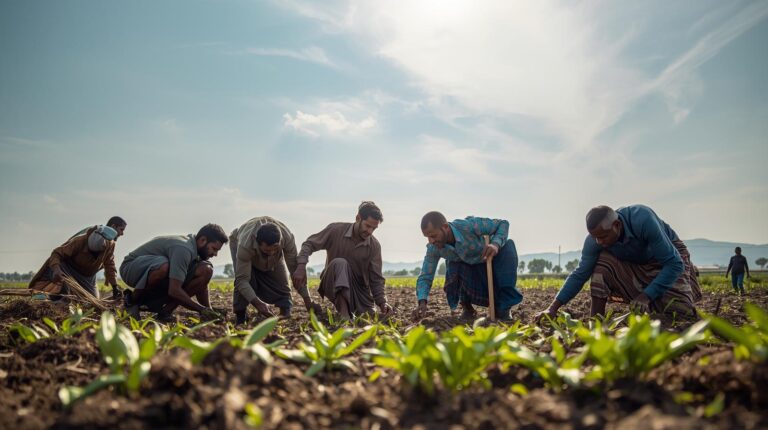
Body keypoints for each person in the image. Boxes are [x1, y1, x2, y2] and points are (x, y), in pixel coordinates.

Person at [535, 205, 702, 322]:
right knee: (601, 264)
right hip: (632, 261)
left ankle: (668, 288)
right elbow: (580, 274)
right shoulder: (595, 240)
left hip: (665, 259)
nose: (599, 241)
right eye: (595, 237)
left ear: (617, 225)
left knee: (681, 312)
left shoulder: (643, 219)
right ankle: (597, 320)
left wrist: (646, 296)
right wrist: (552, 308)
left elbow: (673, 263)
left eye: (603, 236)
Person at [411, 211, 522, 321]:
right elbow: (426, 275)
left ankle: (504, 308)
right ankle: (467, 308)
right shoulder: (434, 248)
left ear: (445, 227)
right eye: (427, 237)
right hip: (471, 279)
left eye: (433, 236)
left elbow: (503, 223)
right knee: (454, 263)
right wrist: (422, 301)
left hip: (491, 269)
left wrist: (495, 244)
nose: (431, 241)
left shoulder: (468, 225)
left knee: (508, 245)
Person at [292, 201, 393, 320]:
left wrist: (382, 303)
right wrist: (301, 266)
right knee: (340, 263)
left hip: (359, 292)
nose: (370, 231)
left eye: (374, 228)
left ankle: (351, 312)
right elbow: (309, 244)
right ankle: (344, 315)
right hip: (333, 282)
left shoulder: (374, 246)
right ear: (358, 218)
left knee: (369, 316)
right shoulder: (336, 230)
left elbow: (376, 278)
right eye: (367, 226)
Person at [120, 223, 227, 321]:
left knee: (205, 270)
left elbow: (201, 286)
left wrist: (209, 309)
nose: (215, 254)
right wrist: (201, 310)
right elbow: (174, 290)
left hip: (153, 270)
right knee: (164, 266)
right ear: (203, 240)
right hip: (130, 268)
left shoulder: (196, 251)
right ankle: (132, 301)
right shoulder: (184, 249)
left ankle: (165, 312)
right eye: (214, 249)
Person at [230, 216, 323, 324]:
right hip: (239, 243)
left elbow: (295, 271)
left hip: (272, 249)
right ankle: (241, 315)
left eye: (275, 249)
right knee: (246, 279)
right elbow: (242, 280)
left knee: (281, 279)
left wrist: (308, 301)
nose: (271, 253)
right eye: (267, 250)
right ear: (258, 242)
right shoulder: (245, 245)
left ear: (280, 241)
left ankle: (285, 311)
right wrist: (258, 303)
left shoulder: (287, 238)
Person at [29, 225, 120, 299]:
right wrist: (56, 270)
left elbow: (110, 265)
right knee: (63, 289)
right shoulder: (79, 241)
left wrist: (115, 286)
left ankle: (65, 297)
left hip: (87, 277)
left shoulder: (110, 245)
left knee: (91, 300)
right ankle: (54, 297)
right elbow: (56, 254)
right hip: (67, 270)